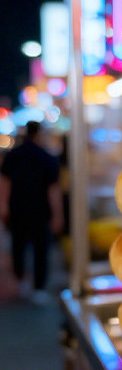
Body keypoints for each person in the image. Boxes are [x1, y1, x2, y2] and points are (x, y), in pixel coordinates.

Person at [0, 121, 62, 302]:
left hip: (17, 209)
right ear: (39, 134)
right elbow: (53, 190)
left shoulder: (13, 156)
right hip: (40, 211)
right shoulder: (47, 158)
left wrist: (3, 205)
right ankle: (38, 288)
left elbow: (5, 184)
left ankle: (21, 281)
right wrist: (57, 215)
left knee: (18, 246)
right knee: (40, 250)